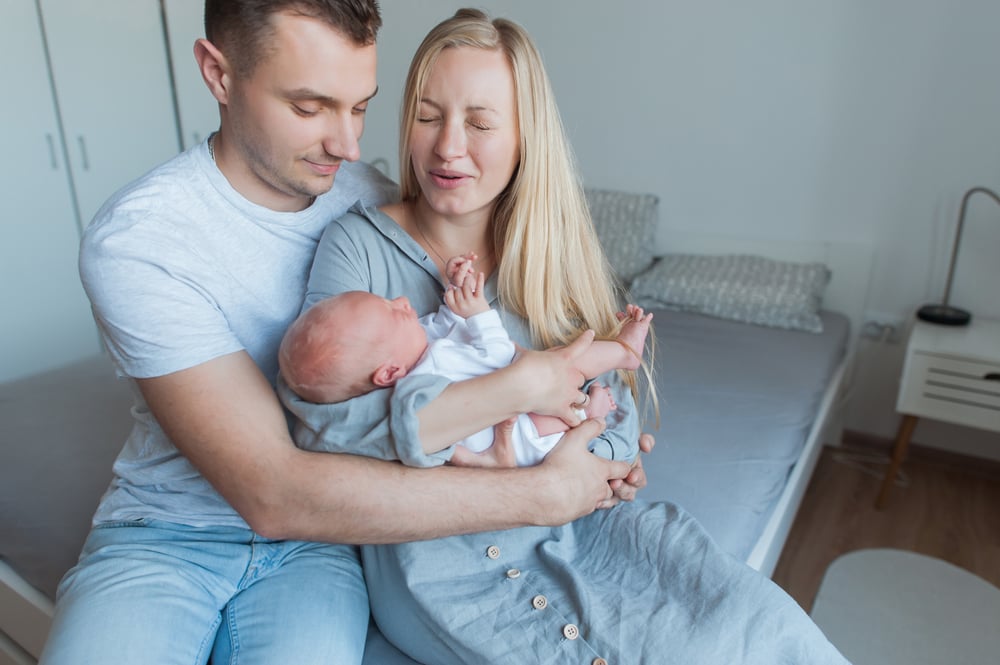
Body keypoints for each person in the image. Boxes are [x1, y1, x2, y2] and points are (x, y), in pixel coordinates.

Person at [39, 2, 653, 664]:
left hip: (325, 544)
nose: (349, 144)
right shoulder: (141, 238)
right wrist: (538, 492)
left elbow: (456, 364)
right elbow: (272, 492)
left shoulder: (365, 194)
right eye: (311, 107)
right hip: (168, 531)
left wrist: (594, 433)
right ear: (218, 74)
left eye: (361, 107)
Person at [283, 8, 850, 664]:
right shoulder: (357, 249)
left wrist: (600, 463)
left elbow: (613, 422)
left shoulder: (554, 258)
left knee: (763, 629)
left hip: (594, 539)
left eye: (481, 122)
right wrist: (516, 400)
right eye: (428, 115)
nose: (447, 147)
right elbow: (321, 430)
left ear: (526, 135)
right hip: (447, 567)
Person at [279, 254, 654, 466]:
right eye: (395, 312)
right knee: (565, 366)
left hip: (521, 407)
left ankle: (604, 391)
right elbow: (499, 356)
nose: (404, 302)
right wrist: (477, 313)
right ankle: (619, 361)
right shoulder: (423, 384)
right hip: (521, 436)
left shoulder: (415, 346)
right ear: (389, 373)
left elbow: (444, 327)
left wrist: (456, 295)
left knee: (557, 368)